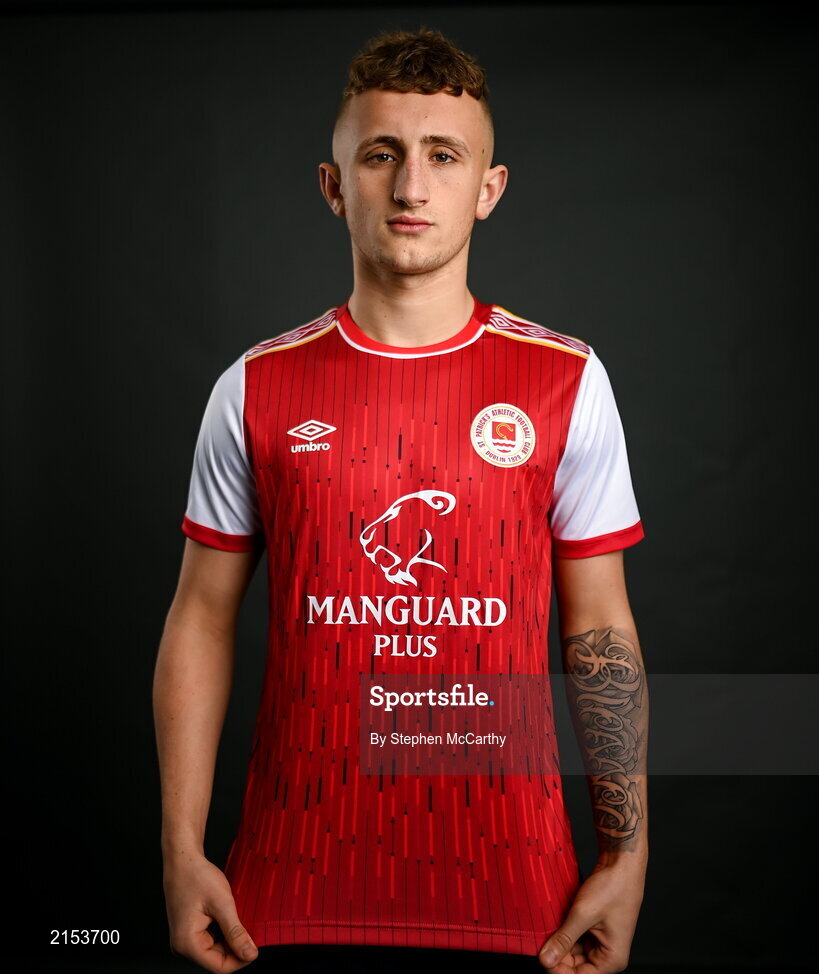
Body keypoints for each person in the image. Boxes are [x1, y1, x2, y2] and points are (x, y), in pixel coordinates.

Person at [153, 26, 649, 974]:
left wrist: (626, 852)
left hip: (520, 904)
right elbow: (200, 622)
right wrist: (180, 854)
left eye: (442, 156)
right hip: (285, 902)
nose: (412, 187)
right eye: (380, 156)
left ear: (488, 188)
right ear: (335, 185)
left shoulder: (566, 381)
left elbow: (601, 629)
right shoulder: (253, 387)